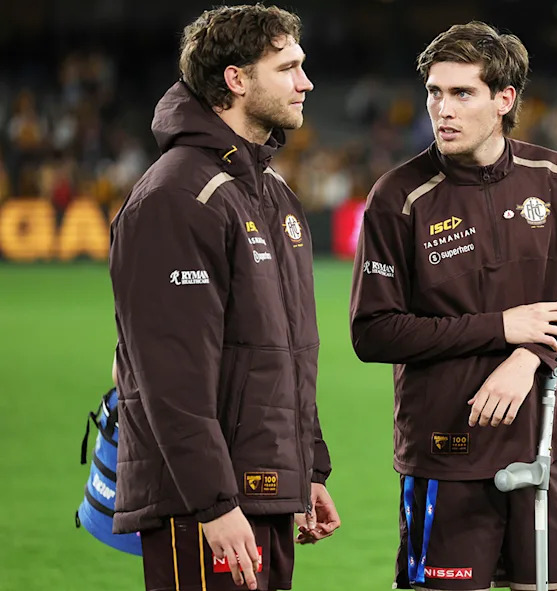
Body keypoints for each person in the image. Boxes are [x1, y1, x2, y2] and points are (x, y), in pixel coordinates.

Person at [349, 21, 557, 591]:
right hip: (445, 457)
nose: (443, 109)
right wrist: (503, 328)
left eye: (462, 93)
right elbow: (374, 332)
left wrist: (531, 356)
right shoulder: (399, 196)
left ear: (504, 99)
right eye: (435, 93)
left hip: (540, 446)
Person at [108, 5, 340, 591]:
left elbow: (283, 350)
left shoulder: (274, 194)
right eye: (287, 68)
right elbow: (171, 374)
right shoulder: (177, 195)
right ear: (236, 80)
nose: (305, 82)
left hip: (264, 492)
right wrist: (213, 503)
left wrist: (307, 468)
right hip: (203, 505)